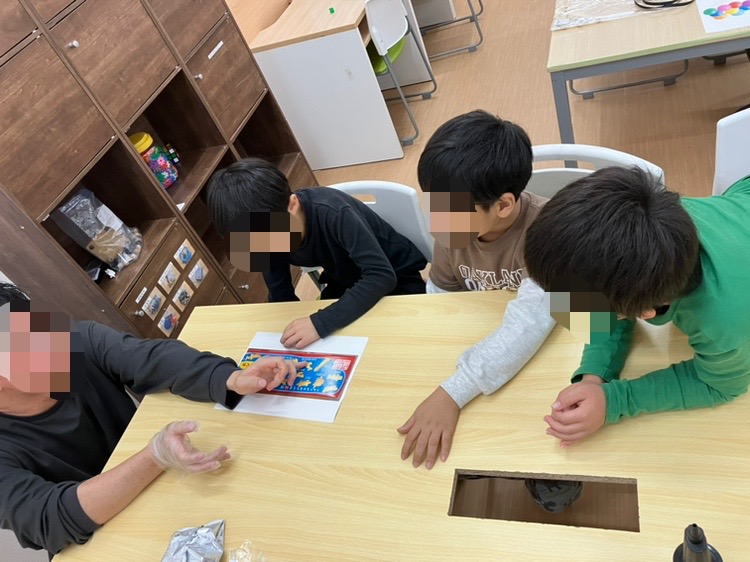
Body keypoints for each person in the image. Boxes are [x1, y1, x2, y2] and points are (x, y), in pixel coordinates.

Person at [0, 283, 305, 555]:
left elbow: (150, 358)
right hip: (104, 540)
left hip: (172, 488)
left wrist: (230, 378)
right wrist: (155, 456)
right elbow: (47, 519)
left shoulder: (73, 341)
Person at [523, 166, 750, 446]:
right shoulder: (655, 220)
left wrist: (615, 401)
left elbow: (720, 385)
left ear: (645, 313)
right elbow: (612, 303)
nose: (562, 309)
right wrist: (593, 377)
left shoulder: (723, 324)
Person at [398, 111, 554, 468]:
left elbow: (535, 321)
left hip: (553, 343)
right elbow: (442, 299)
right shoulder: (453, 229)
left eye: (450, 209)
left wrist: (453, 391)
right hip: (489, 355)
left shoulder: (546, 233)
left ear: (503, 205)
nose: (437, 220)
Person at [207, 158, 428, 350]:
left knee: (396, 343)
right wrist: (287, 324)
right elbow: (280, 291)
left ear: (292, 204)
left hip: (397, 276)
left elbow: (382, 275)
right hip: (345, 278)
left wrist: (319, 323)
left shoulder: (335, 214)